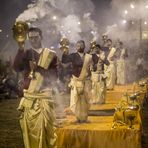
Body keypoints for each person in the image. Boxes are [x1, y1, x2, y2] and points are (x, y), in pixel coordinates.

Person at [13, 27, 57, 148]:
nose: (33, 40)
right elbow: (16, 67)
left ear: (41, 37)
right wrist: (20, 48)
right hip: (29, 97)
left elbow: (54, 76)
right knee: (30, 132)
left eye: (36, 37)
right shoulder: (25, 53)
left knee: (47, 132)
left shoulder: (50, 54)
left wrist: (38, 69)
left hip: (44, 96)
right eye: (30, 38)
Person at [62, 40, 92, 123]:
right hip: (76, 80)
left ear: (84, 46)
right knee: (76, 100)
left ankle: (84, 117)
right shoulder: (72, 56)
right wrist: (64, 52)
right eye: (78, 45)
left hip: (85, 81)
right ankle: (78, 117)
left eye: (81, 45)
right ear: (76, 46)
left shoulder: (88, 56)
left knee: (85, 100)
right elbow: (64, 61)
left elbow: (91, 68)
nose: (80, 46)